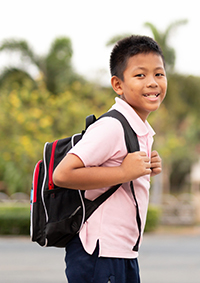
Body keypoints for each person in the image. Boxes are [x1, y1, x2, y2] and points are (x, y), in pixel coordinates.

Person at [53, 35, 167, 283]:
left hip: (122, 252)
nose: (152, 83)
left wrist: (144, 170)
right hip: (99, 253)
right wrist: (125, 173)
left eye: (159, 74)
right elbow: (62, 174)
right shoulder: (112, 126)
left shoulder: (139, 129)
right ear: (118, 84)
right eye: (140, 75)